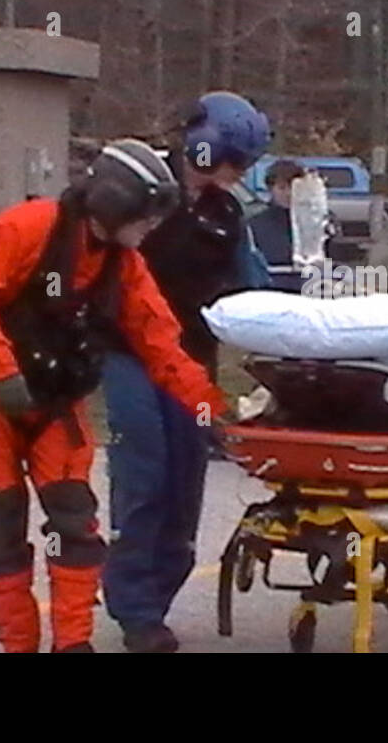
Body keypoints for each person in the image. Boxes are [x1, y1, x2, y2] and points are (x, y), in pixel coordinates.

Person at [0, 138, 226, 653]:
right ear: (117, 203)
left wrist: (209, 409)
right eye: (148, 214)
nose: (153, 227)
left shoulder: (123, 266)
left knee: (75, 524)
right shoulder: (33, 226)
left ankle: (73, 643)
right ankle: (19, 644)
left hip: (56, 404)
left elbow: (163, 346)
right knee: (2, 529)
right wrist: (2, 370)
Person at [101, 90, 271, 653]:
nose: (236, 175)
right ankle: (135, 608)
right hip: (129, 355)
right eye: (233, 162)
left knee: (185, 479)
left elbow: (252, 283)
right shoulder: (144, 194)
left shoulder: (226, 215)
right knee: (143, 472)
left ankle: (162, 593)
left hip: (191, 361)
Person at [247, 158, 310, 292]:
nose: (288, 194)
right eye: (282, 188)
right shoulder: (255, 224)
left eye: (294, 188)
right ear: (271, 189)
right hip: (271, 294)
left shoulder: (315, 222)